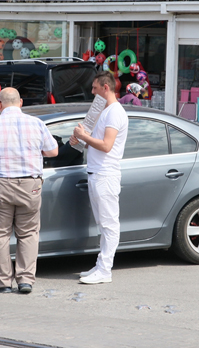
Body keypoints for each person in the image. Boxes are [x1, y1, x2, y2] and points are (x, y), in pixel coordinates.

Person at [0, 88, 58, 294]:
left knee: (0, 235)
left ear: (0, 104)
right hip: (30, 185)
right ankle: (25, 280)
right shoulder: (36, 123)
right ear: (21, 103)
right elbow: (53, 151)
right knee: (28, 233)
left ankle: (2, 283)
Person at [70, 71, 128, 284]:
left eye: (95, 88)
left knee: (109, 224)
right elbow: (98, 144)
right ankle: (100, 266)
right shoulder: (106, 111)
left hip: (105, 174)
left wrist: (84, 136)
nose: (92, 91)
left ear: (105, 88)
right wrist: (80, 140)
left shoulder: (114, 112)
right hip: (97, 173)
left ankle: (105, 270)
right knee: (103, 224)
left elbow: (106, 145)